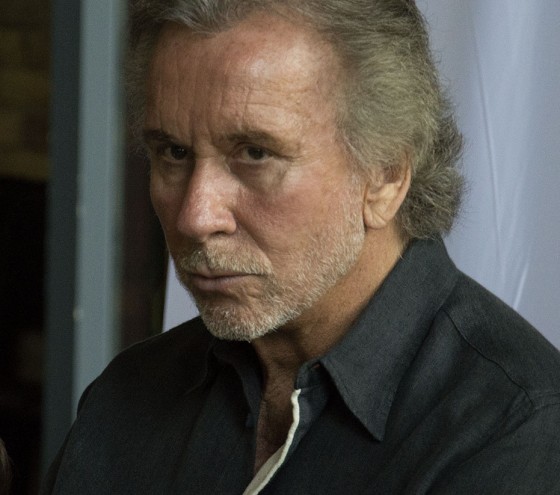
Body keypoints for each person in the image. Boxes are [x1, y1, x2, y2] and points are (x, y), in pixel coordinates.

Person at [42, 0, 560, 493]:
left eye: (254, 153)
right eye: (174, 152)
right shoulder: (126, 397)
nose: (195, 217)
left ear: (385, 176)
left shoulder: (516, 432)